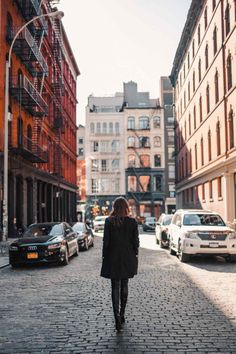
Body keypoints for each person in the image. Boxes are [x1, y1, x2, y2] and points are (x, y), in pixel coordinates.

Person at [100, 197, 139, 332]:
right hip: (128, 257)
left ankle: (116, 318)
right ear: (126, 207)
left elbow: (106, 241)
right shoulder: (132, 222)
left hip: (113, 257)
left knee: (115, 287)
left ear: (114, 208)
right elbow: (136, 242)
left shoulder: (109, 221)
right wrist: (134, 254)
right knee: (124, 285)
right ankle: (122, 314)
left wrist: (104, 256)